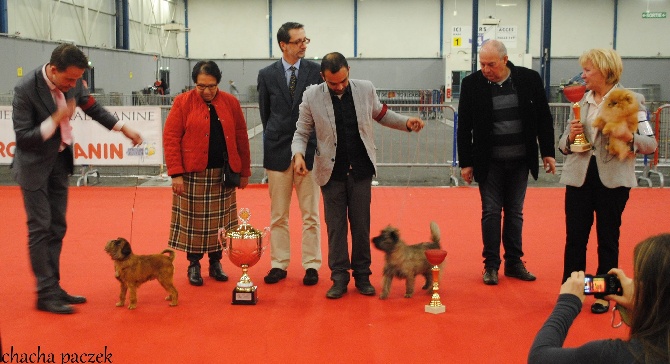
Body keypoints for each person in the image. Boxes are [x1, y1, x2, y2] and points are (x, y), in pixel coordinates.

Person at [11, 43, 143, 314]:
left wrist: (122, 128)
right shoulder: (25, 89)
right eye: (69, 79)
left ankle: (54, 286)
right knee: (40, 228)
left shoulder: (74, 82)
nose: (74, 85)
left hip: (59, 162)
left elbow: (93, 108)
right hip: (33, 166)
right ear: (53, 69)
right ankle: (44, 294)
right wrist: (54, 119)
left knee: (57, 227)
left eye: (78, 79)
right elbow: (24, 138)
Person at [292, 52, 425, 299]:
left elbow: (382, 114)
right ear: (323, 77)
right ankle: (339, 277)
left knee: (362, 227)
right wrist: (298, 155)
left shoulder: (365, 89)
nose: (340, 86)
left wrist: (407, 123)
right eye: (333, 83)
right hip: (330, 173)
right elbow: (301, 132)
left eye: (343, 79)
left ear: (349, 70)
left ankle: (362, 276)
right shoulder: (311, 96)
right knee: (336, 228)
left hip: (361, 171)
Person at [557, 48, 657, 314]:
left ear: (605, 70)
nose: (583, 75)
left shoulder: (633, 100)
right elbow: (563, 144)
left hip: (613, 181)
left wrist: (628, 137)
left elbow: (651, 143)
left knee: (608, 238)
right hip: (578, 179)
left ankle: (603, 293)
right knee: (575, 238)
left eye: (588, 70)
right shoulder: (580, 100)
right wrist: (570, 137)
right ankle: (573, 292)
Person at [457, 39, 556, 286]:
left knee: (515, 213)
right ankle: (490, 266)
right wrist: (466, 162)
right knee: (490, 213)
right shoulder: (471, 84)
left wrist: (548, 152)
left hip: (521, 161)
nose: (486, 69)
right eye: (482, 64)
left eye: (491, 64)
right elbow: (464, 127)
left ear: (505, 59)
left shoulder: (529, 79)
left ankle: (514, 262)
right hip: (488, 163)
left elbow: (544, 119)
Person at [163, 61, 251, 286]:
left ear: (218, 83)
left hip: (223, 173)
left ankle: (216, 262)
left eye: (211, 86)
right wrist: (175, 174)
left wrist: (244, 171)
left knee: (221, 224)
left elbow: (241, 136)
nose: (207, 91)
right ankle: (194, 265)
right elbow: (171, 138)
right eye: (201, 86)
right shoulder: (182, 102)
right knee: (193, 224)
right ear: (194, 84)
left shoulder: (230, 102)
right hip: (192, 174)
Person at [528, 233, 670, 363]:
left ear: (653, 294)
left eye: (637, 278)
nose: (629, 282)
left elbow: (538, 358)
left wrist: (567, 303)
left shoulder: (612, 355)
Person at [257, 22, 323, 286]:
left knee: (311, 214)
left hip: (309, 153)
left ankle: (311, 265)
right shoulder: (266, 74)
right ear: (283, 44)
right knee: (278, 215)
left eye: (306, 40)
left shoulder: (316, 72)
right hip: (277, 152)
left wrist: (308, 149)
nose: (304, 45)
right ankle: (279, 264)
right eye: (298, 41)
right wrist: (278, 139)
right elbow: (266, 114)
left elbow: (321, 116)